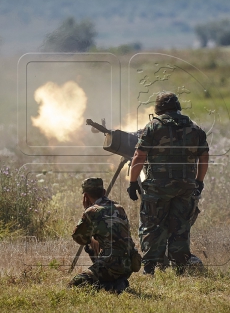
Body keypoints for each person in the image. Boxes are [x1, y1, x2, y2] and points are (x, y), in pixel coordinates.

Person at [127, 92, 209, 275]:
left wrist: (132, 182)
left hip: (158, 188)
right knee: (180, 226)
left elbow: (139, 156)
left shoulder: (153, 127)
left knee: (152, 224)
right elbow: (204, 157)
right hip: (186, 187)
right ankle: (180, 268)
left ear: (158, 108)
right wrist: (199, 181)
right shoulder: (195, 128)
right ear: (178, 107)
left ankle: (150, 269)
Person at [69, 177, 141, 293]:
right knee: (95, 242)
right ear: (103, 192)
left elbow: (79, 238)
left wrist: (87, 211)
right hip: (129, 264)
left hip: (111, 264)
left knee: (75, 283)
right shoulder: (119, 208)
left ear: (85, 196)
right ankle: (117, 281)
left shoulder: (92, 211)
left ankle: (112, 285)